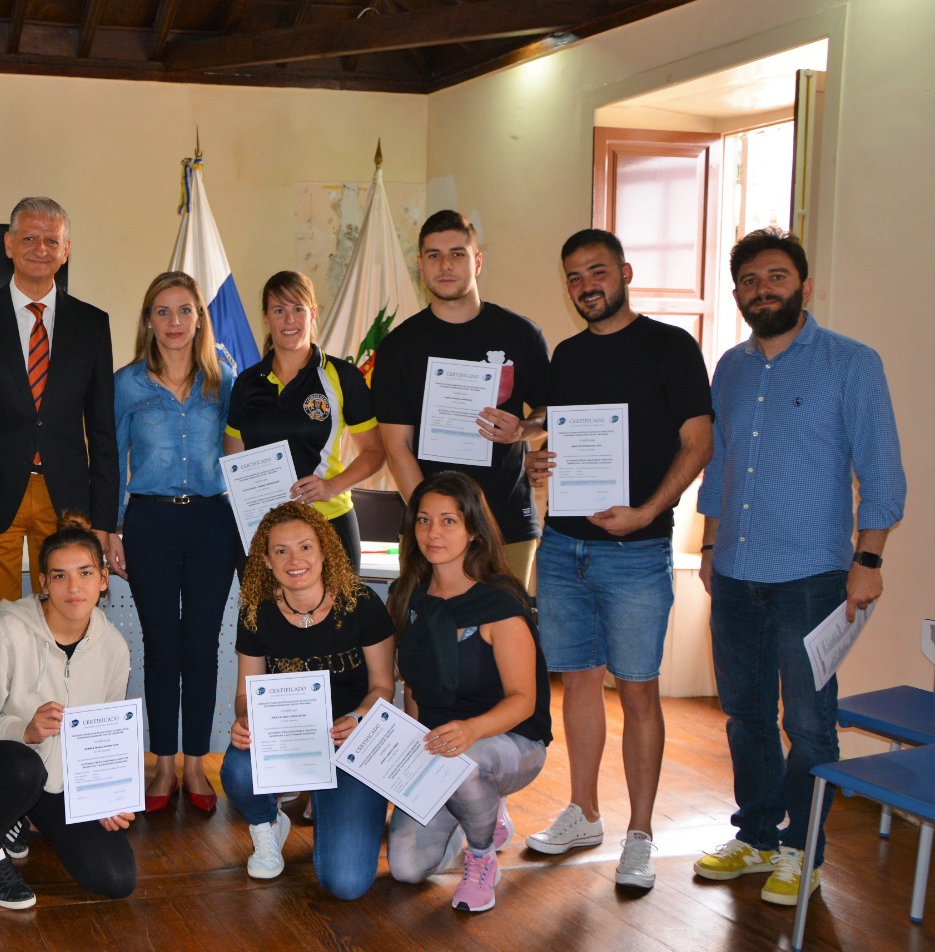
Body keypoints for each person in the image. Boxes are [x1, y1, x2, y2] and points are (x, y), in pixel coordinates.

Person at [693, 228, 905, 907]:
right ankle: (755, 834)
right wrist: (707, 547)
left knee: (809, 722)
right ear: (738, 295)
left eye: (777, 276)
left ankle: (800, 849)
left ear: (804, 286)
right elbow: (719, 463)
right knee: (744, 714)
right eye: (751, 281)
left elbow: (882, 473)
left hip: (814, 577)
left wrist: (867, 558)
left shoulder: (852, 362)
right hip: (734, 572)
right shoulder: (730, 367)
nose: (764, 290)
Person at [523, 229, 712, 891]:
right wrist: (535, 457)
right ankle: (583, 812)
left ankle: (640, 833)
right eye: (574, 277)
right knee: (576, 681)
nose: (585, 287)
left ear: (625, 272)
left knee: (637, 690)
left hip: (637, 551)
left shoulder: (671, 347)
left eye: (596, 272)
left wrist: (647, 511)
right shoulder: (567, 355)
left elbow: (698, 443)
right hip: (565, 547)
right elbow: (549, 436)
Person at [0, 197, 117, 634]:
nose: (40, 248)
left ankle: (59, 704)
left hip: (67, 499)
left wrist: (105, 522)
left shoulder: (92, 324)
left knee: (69, 618)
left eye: (51, 240)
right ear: (8, 244)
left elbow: (102, 429)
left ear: (66, 249)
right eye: (30, 238)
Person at [386, 472, 551, 913]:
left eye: (447, 521)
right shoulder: (407, 597)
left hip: (509, 743)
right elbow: (413, 689)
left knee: (467, 765)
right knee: (405, 868)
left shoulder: (501, 605)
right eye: (423, 520)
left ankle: (481, 858)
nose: (432, 533)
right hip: (444, 748)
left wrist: (470, 730)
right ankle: (476, 812)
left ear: (474, 530)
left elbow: (524, 700)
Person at [219, 502, 396, 899]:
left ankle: (332, 800)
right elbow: (246, 693)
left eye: (304, 547)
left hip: (349, 741)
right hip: (288, 742)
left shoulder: (361, 602)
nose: (294, 559)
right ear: (265, 560)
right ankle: (267, 823)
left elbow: (384, 686)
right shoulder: (255, 613)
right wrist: (246, 720)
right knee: (238, 769)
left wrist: (359, 717)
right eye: (281, 551)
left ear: (323, 551)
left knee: (346, 885)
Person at [110, 271, 237, 813]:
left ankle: (195, 765)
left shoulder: (224, 380)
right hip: (150, 525)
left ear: (199, 319)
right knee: (161, 648)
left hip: (213, 524)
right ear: (148, 321)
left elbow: (241, 454)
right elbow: (114, 460)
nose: (174, 322)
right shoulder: (127, 384)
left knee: (202, 646)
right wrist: (111, 529)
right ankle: (162, 763)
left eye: (184, 310)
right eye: (162, 311)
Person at [0, 515, 138, 907]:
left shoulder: (113, 646)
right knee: (25, 768)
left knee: (116, 879)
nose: (74, 587)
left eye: (85, 573)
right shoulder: (7, 631)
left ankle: (20, 818)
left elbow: (108, 737)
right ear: (42, 583)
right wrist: (25, 729)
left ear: (104, 579)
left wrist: (105, 797)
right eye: (59, 576)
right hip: (9, 768)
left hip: (66, 784)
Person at [369, 210, 550, 587]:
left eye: (457, 253)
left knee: (506, 637)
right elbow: (396, 446)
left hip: (507, 524)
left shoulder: (521, 334)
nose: (445, 265)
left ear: (477, 261)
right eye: (433, 255)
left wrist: (523, 431)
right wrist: (431, 520)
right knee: (430, 639)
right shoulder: (399, 347)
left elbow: (550, 412)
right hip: (431, 532)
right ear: (421, 265)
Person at [225, 271, 384, 568]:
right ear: (266, 319)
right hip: (263, 528)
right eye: (279, 310)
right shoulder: (246, 383)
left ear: (312, 314)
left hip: (328, 522)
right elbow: (233, 456)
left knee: (336, 615)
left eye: (298, 309)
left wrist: (332, 486)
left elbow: (375, 452)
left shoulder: (341, 376)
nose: (289, 320)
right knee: (264, 615)